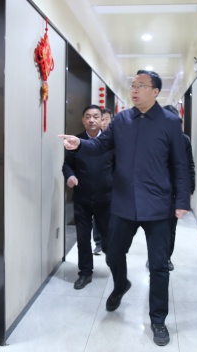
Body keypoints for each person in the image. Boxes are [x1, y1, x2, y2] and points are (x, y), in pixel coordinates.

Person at [59, 70, 190, 347]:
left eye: (141, 85)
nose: (135, 89)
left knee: (159, 265)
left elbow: (180, 164)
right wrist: (80, 144)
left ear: (155, 91)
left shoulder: (169, 122)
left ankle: (158, 319)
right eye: (133, 85)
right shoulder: (121, 120)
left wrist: (181, 201)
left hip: (157, 206)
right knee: (113, 253)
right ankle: (121, 284)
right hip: (123, 202)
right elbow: (100, 145)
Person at [62, 104, 113, 290]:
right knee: (83, 238)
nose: (92, 120)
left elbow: (118, 167)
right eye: (88, 116)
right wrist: (70, 176)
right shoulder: (76, 141)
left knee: (108, 238)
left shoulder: (110, 142)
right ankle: (85, 272)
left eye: (96, 116)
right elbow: (67, 165)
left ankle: (115, 266)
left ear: (102, 120)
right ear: (83, 120)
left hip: (106, 199)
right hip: (82, 198)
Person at [162, 104, 195, 271]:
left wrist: (189, 190)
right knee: (154, 228)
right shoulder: (152, 138)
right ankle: (154, 256)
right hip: (155, 191)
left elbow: (189, 165)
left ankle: (166, 257)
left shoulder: (184, 140)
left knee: (170, 228)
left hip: (174, 191)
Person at [91, 108, 114, 255]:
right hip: (97, 183)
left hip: (113, 183)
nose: (104, 122)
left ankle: (109, 242)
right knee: (97, 215)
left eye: (107, 119)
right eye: (102, 119)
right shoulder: (95, 139)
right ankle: (98, 243)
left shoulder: (116, 138)